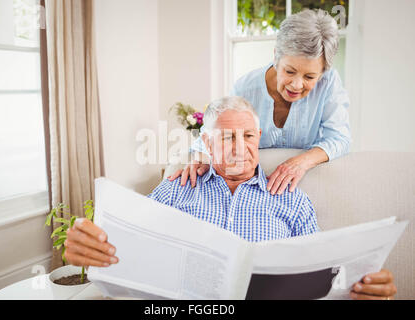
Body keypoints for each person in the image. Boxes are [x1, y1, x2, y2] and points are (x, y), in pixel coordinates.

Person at [64, 97, 396, 300]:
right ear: (206, 145)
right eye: (226, 138)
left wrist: (360, 288)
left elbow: (324, 273)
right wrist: (91, 242)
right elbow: (127, 244)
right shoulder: (177, 187)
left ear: (259, 138)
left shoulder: (292, 200)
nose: (240, 147)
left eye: (248, 136)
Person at [169, 9, 351, 196]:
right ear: (276, 57)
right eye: (289, 71)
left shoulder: (329, 83)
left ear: (322, 73)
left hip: (299, 183)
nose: (297, 85)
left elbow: (340, 138)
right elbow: (215, 132)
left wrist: (300, 162)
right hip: (251, 185)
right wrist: (200, 158)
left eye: (310, 76)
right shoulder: (245, 88)